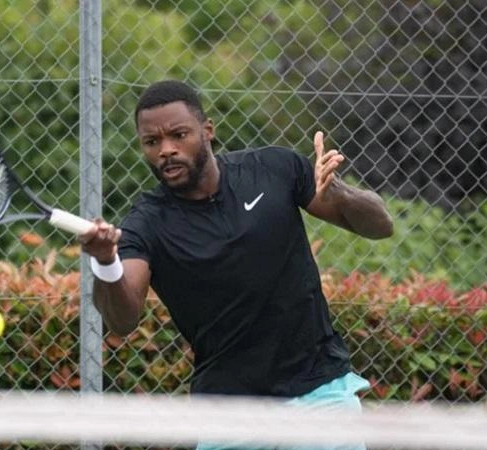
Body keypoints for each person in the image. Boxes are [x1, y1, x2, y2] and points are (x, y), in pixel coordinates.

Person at [79, 80, 394, 449]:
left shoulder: (274, 169)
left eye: (179, 135)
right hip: (229, 411)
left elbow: (380, 227)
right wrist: (105, 262)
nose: (166, 150)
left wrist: (339, 190)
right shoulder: (147, 223)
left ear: (207, 131)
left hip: (319, 392)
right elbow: (123, 319)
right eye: (152, 142)